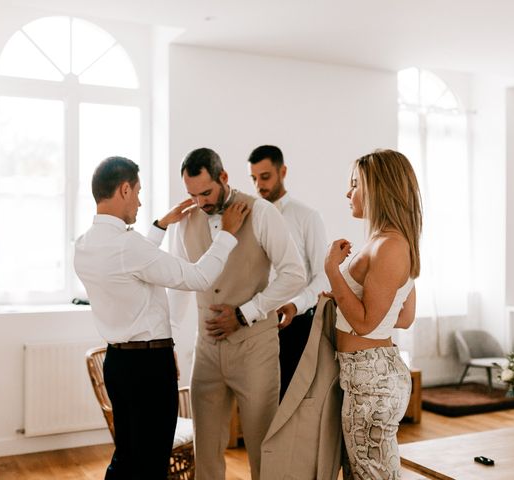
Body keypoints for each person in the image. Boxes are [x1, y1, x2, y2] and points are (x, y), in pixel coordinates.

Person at [74, 156, 249, 480]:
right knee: (153, 462)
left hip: (118, 365)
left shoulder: (84, 245)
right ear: (124, 189)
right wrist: (227, 235)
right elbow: (198, 277)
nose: (140, 201)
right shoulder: (128, 246)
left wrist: (160, 226)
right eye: (138, 192)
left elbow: (131, 264)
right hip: (148, 369)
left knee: (127, 456)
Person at [170, 147, 305, 480]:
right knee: (207, 454)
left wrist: (246, 313)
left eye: (206, 192)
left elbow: (294, 274)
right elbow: (177, 284)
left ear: (224, 178)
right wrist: (169, 340)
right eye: (192, 194)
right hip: (207, 351)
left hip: (255, 348)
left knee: (263, 450)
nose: (200, 202)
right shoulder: (184, 220)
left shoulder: (261, 212)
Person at [324, 149, 421, 479]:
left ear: (378, 187)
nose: (348, 193)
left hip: (371, 379)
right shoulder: (387, 241)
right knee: (362, 471)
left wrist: (333, 272)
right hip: (367, 374)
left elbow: (367, 322)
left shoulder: (389, 246)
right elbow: (402, 316)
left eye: (354, 184)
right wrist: (341, 296)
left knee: (372, 474)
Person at [247, 145, 329, 400]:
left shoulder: (307, 217)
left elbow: (322, 277)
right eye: (254, 178)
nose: (259, 185)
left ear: (282, 171)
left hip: (296, 323)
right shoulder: (249, 217)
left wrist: (295, 305)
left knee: (292, 402)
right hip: (257, 321)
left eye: (265, 176)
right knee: (260, 401)